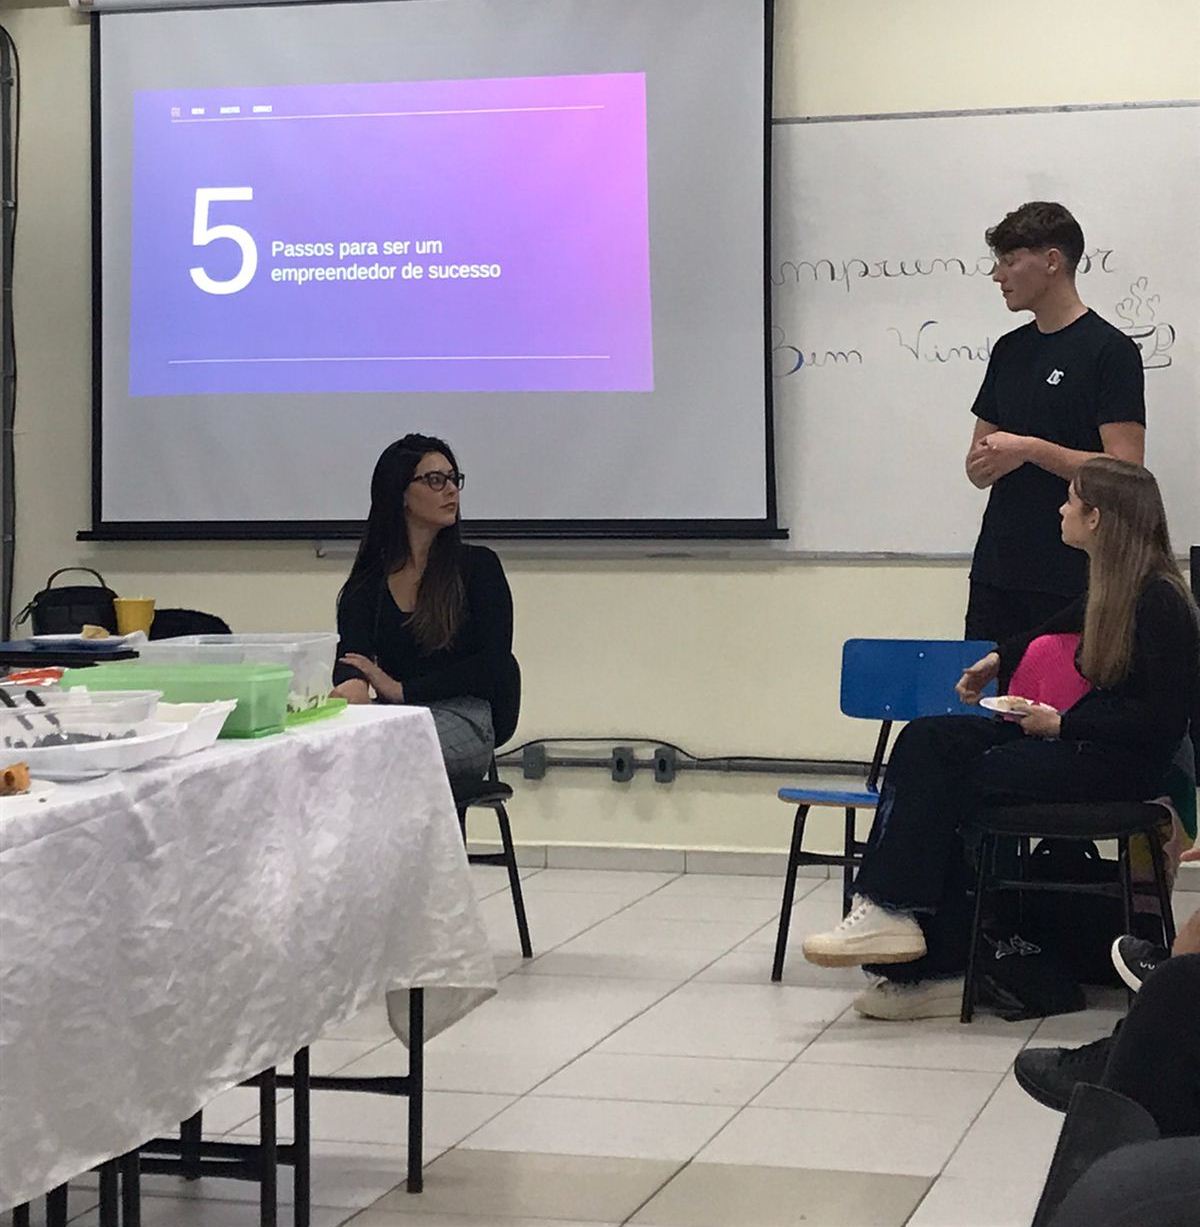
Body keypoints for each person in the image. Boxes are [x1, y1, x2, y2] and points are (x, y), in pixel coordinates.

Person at [801, 458, 1200, 1022]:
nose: (1061, 509)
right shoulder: (1116, 587)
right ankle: (890, 914)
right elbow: (1056, 624)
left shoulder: (1162, 603)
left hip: (1118, 768)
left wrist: (1062, 725)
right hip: (1084, 747)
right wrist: (997, 658)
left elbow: (1159, 725)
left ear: (1097, 518)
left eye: (1071, 500)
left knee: (950, 781)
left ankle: (929, 953)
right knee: (928, 740)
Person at [965, 201, 1146, 647]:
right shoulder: (1008, 350)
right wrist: (990, 461)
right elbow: (978, 465)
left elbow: (1126, 470)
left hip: (1072, 573)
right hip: (998, 568)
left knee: (1059, 690)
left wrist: (1030, 450)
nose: (998, 276)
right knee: (984, 686)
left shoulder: (1110, 352)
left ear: (1051, 262)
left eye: (1010, 261)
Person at [332, 433, 514, 789]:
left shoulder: (479, 567)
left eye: (453, 479)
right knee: (332, 749)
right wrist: (352, 686)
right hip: (395, 717)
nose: (451, 490)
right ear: (400, 493)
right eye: (435, 480)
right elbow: (353, 656)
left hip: (465, 716)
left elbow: (494, 663)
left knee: (382, 753)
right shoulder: (369, 582)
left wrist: (403, 690)